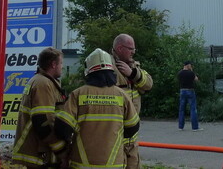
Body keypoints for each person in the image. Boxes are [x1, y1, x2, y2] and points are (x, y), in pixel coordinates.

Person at [54, 49, 139, 168]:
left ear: (88, 71)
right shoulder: (122, 95)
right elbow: (132, 128)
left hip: (82, 164)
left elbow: (62, 129)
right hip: (114, 164)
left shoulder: (78, 94)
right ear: (111, 70)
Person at [12, 47, 67, 168]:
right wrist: (62, 151)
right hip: (36, 155)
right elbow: (43, 122)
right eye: (61, 63)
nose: (62, 66)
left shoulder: (39, 80)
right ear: (53, 64)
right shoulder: (43, 84)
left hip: (35, 154)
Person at [111, 33, 153, 168]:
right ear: (119, 48)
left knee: (133, 163)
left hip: (132, 130)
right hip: (115, 130)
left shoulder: (133, 65)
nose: (133, 52)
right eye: (130, 49)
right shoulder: (108, 65)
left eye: (134, 49)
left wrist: (132, 74)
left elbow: (149, 84)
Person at [177, 61, 202, 131]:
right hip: (190, 91)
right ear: (188, 65)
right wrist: (192, 71)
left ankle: (180, 127)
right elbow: (196, 79)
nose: (191, 66)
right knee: (193, 109)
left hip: (182, 91)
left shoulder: (179, 73)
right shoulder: (191, 73)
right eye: (190, 65)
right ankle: (194, 127)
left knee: (181, 109)